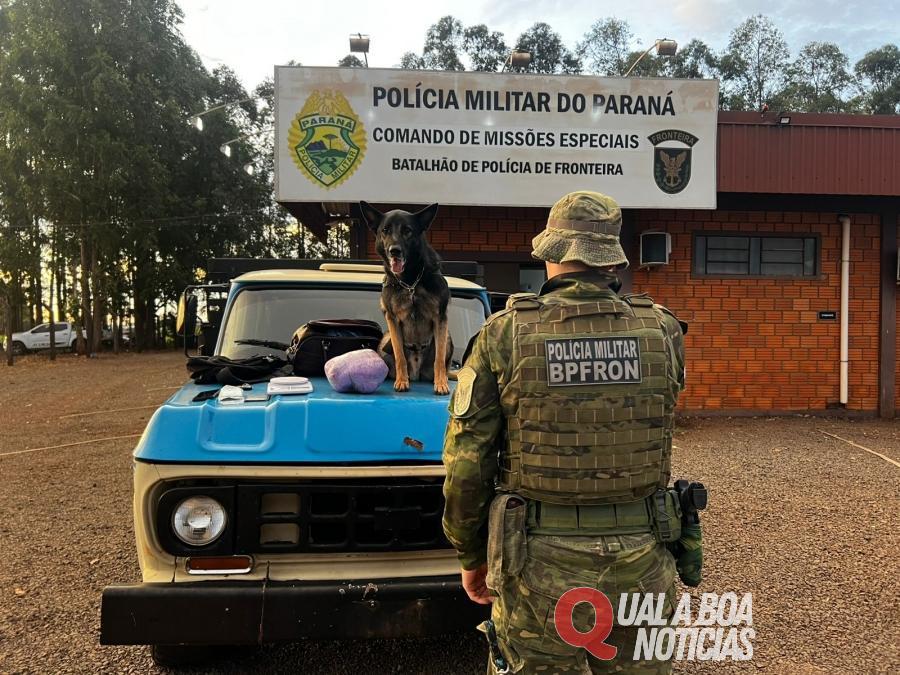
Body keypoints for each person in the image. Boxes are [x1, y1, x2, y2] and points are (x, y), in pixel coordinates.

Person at [442, 191, 691, 674]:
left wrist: (469, 553)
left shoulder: (503, 334)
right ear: (609, 259)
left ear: (553, 253)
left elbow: (467, 464)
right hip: (643, 556)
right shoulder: (663, 330)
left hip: (536, 563)